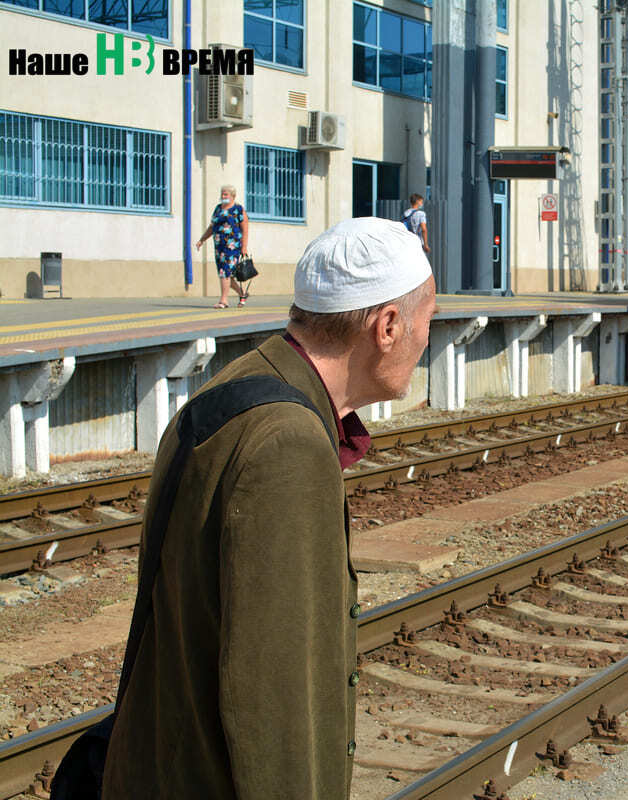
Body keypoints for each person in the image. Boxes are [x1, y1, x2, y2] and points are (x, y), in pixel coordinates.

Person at [102, 218, 437, 799]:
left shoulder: (232, 388)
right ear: (387, 326)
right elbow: (277, 693)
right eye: (427, 319)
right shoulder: (289, 444)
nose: (428, 337)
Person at [195, 185, 252, 308]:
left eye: (225, 194)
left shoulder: (238, 209)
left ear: (232, 196)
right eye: (222, 194)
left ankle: (224, 301)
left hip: (232, 247)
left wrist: (244, 247)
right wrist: (202, 239)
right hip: (219, 247)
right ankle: (242, 294)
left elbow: (245, 229)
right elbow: (212, 227)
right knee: (225, 274)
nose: (223, 196)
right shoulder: (218, 209)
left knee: (224, 272)